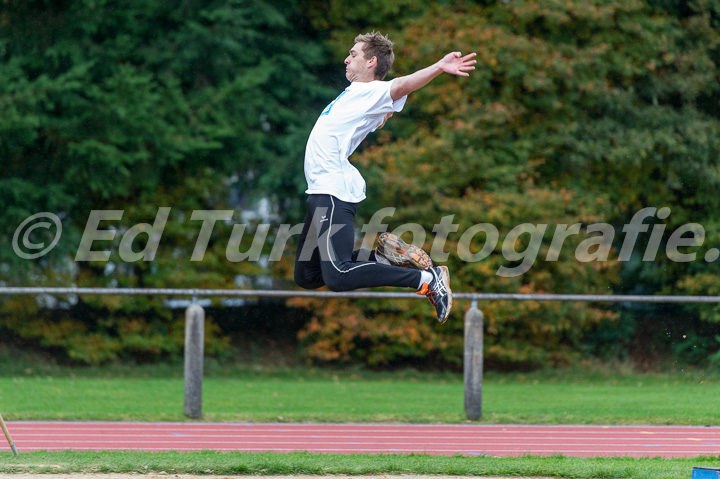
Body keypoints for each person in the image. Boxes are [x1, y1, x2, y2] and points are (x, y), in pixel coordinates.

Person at [293, 31, 476, 324]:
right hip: (320, 190)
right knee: (307, 275)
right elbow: (373, 117)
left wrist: (438, 67)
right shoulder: (355, 95)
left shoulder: (372, 90)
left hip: (333, 190)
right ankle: (382, 257)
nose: (346, 58)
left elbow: (401, 86)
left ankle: (426, 280)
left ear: (371, 62)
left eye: (353, 54)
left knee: (338, 276)